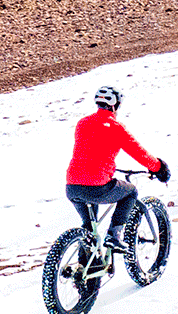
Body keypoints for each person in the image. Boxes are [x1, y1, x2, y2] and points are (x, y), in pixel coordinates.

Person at [65, 86, 169, 240]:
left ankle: (87, 261)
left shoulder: (83, 123)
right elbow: (138, 152)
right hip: (98, 187)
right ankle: (114, 236)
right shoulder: (116, 128)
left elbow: (90, 151)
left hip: (72, 186)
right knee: (130, 192)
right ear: (115, 105)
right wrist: (159, 168)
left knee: (89, 228)